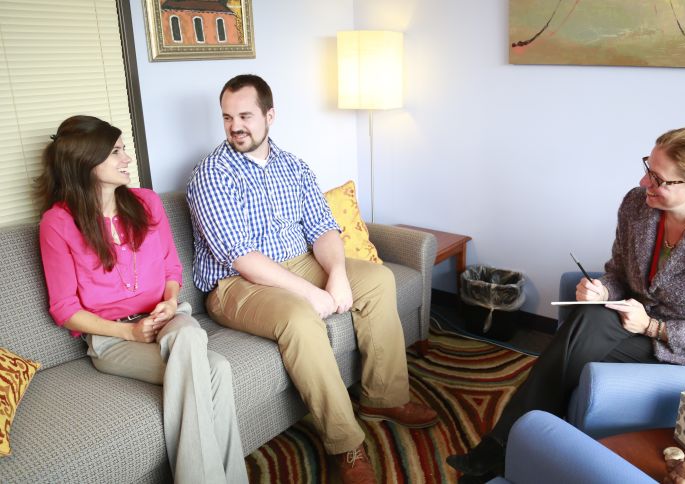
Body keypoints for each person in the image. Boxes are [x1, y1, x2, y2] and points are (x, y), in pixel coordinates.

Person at [447, 126, 685, 481]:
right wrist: (603, 291)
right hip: (631, 321)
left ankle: (503, 448)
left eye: (658, 179)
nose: (644, 182)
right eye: (647, 168)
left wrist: (655, 327)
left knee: (569, 353)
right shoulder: (637, 206)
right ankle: (515, 449)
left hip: (683, 348)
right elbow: (618, 274)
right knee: (587, 319)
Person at [186, 74, 438, 484]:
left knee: (376, 279)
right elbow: (243, 258)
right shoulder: (211, 175)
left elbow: (323, 228)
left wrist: (337, 274)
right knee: (301, 318)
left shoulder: (294, 166)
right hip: (237, 284)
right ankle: (346, 444)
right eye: (227, 117)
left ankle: (384, 397)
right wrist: (310, 293)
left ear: (270, 115)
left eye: (245, 115)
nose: (236, 126)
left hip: (298, 261)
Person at [36, 116, 247, 484]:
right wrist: (132, 333)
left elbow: (171, 268)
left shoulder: (146, 203)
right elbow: (65, 310)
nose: (127, 158)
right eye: (116, 152)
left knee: (187, 335)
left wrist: (169, 300)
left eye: (124, 149)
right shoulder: (58, 224)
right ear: (88, 161)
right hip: (114, 339)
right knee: (216, 369)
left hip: (169, 318)